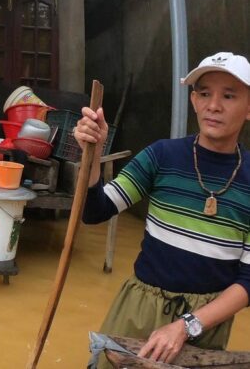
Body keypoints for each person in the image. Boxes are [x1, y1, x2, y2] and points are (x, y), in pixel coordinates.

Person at [75, 52, 250, 367]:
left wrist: (186, 325)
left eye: (229, 96)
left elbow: (248, 280)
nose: (213, 105)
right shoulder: (161, 157)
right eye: (204, 93)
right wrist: (94, 153)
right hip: (138, 308)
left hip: (205, 324)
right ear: (194, 100)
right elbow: (95, 210)